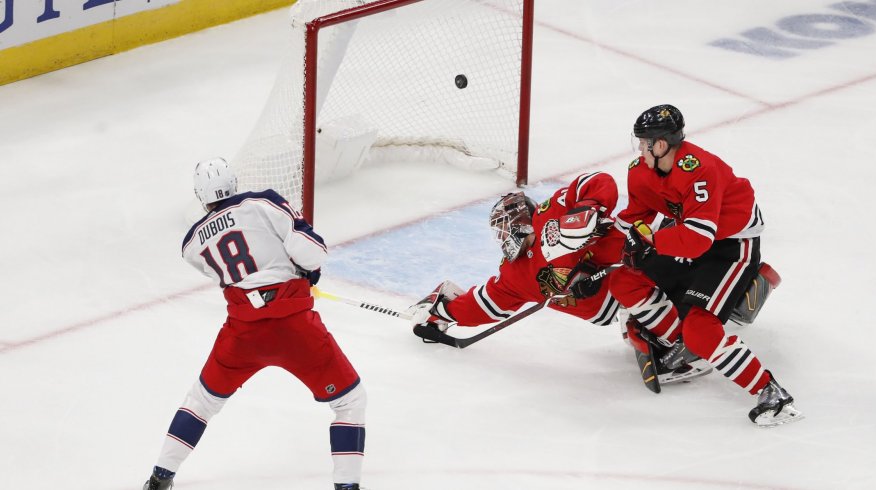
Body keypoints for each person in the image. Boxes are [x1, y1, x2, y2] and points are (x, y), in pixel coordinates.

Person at [143, 158, 366, 490]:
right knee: (350, 402)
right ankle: (347, 486)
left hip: (242, 334)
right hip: (295, 327)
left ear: (200, 195)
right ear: (234, 182)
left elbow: (227, 274)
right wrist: (306, 273)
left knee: (201, 401)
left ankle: (159, 479)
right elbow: (313, 253)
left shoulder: (192, 243)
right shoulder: (264, 202)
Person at [407, 171, 711, 385]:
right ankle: (672, 315)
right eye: (499, 231)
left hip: (638, 256)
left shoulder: (550, 214)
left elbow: (597, 182)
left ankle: (687, 341)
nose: (504, 235)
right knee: (631, 322)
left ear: (524, 217)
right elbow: (485, 304)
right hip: (612, 302)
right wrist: (441, 313)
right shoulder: (513, 275)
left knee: (639, 273)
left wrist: (587, 211)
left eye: (506, 225)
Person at [607, 103, 802, 427]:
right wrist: (598, 253)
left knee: (701, 329)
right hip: (686, 232)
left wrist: (650, 244)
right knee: (624, 280)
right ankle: (679, 345)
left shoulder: (699, 170)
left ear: (661, 144)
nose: (639, 148)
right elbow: (633, 219)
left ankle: (772, 395)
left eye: (644, 142)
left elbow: (699, 239)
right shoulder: (639, 171)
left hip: (731, 245)